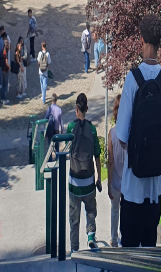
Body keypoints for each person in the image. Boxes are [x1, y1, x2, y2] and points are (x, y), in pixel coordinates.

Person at [115, 14, 161, 248]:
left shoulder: (133, 80)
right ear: (160, 42)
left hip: (133, 186)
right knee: (150, 250)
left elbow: (121, 135)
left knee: (130, 250)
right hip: (155, 188)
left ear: (142, 40)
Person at [64, 93, 103, 253]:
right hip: (89, 181)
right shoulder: (92, 129)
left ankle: (74, 248)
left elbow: (66, 149)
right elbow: (98, 156)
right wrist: (99, 178)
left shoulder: (71, 128)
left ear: (76, 109)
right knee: (91, 210)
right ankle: (91, 237)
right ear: (87, 108)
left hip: (74, 182)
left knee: (74, 216)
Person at [107, 94, 124, 247]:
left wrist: (108, 183)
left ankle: (113, 238)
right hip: (129, 181)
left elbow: (110, 161)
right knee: (126, 211)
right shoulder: (130, 133)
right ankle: (124, 235)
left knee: (115, 210)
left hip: (116, 180)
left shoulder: (111, 133)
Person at [37, 41, 52, 105]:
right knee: (45, 85)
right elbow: (49, 63)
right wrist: (46, 67)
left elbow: (38, 61)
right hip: (45, 71)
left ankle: (43, 96)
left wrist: (40, 66)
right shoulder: (48, 54)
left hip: (40, 71)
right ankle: (44, 97)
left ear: (42, 46)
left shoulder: (40, 53)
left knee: (41, 83)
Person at [0, 35, 11, 105]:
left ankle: (2, 98)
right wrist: (9, 67)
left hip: (2, 69)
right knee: (5, 85)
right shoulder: (5, 52)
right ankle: (5, 99)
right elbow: (6, 61)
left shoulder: (2, 50)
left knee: (3, 85)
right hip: (6, 70)